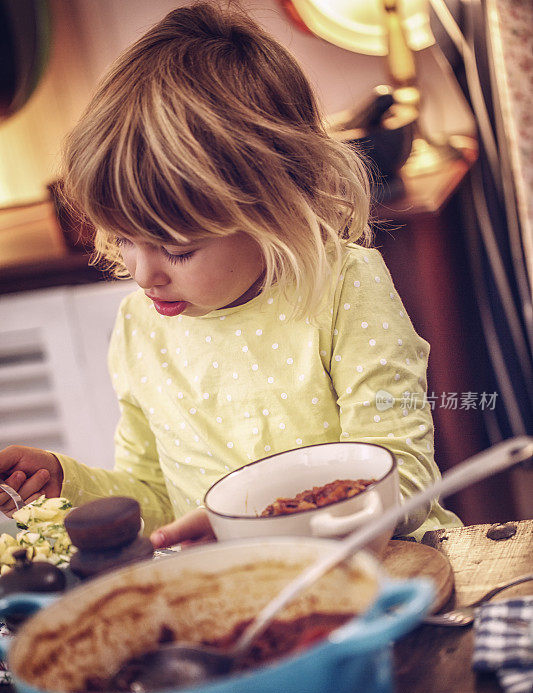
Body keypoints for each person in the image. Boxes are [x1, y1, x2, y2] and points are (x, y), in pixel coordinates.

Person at [0, 2, 461, 547]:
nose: (144, 275)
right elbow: (156, 500)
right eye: (124, 239)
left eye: (177, 249)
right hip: (250, 594)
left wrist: (246, 527)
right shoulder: (139, 324)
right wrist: (66, 481)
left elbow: (401, 483)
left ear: (273, 207)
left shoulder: (345, 289)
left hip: (386, 571)